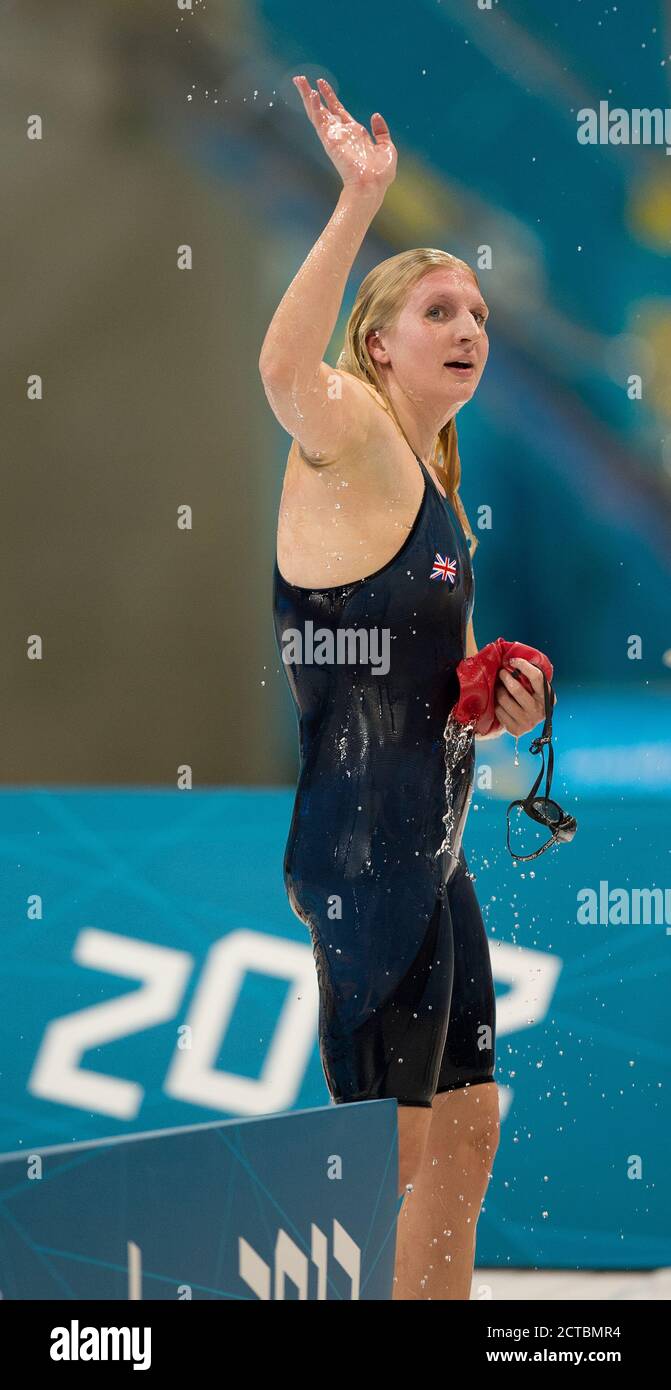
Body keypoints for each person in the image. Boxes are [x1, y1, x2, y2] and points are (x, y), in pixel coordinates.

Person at [260, 75, 551, 1301]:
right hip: (364, 856)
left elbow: (454, 684)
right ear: (379, 342)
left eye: (477, 309)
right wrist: (358, 203)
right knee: (385, 1151)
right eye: (439, 307)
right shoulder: (353, 432)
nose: (468, 325)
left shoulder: (431, 484)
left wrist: (506, 697)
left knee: (470, 1118)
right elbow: (282, 370)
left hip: (427, 852)